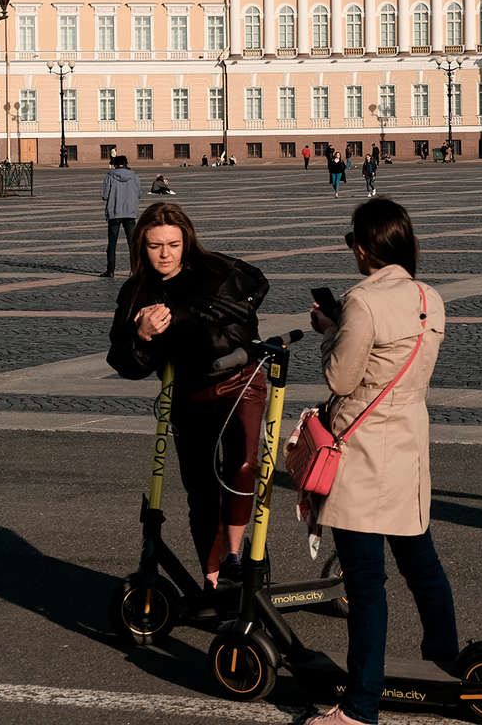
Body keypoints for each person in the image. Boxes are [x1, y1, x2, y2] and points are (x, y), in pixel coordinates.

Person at [306, 199, 456, 725]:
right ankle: (446, 662)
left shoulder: (361, 302)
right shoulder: (429, 297)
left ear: (365, 247)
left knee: (366, 585)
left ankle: (360, 706)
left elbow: (341, 380)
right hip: (409, 443)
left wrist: (329, 331)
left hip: (363, 450)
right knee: (422, 566)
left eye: (352, 240)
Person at [107, 202, 270, 589]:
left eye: (173, 244)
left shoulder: (215, 271)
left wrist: (180, 320)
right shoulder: (136, 293)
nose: (165, 254)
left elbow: (239, 329)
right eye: (155, 246)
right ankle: (212, 580)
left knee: (242, 466)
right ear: (141, 248)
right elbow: (124, 362)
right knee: (199, 486)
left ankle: (234, 556)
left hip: (237, 382)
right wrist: (142, 335)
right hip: (186, 391)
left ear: (187, 242)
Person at [100, 155, 140, 278]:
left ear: (115, 164)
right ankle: (134, 270)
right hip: (130, 213)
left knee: (112, 244)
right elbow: (139, 194)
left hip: (114, 212)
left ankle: (110, 270)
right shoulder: (134, 176)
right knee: (132, 243)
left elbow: (105, 195)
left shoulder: (109, 176)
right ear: (126, 163)